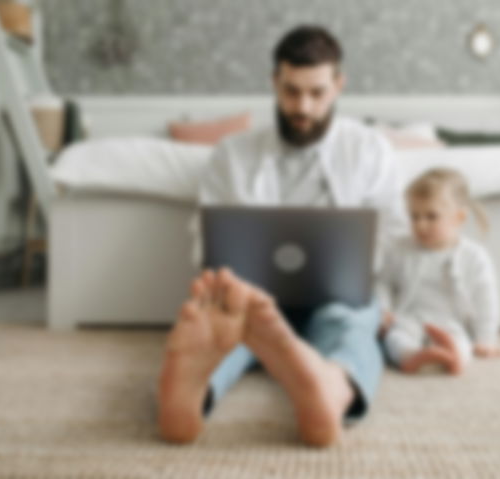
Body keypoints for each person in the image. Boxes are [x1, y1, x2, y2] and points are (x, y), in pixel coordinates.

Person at [157, 25, 405, 447]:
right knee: (230, 328)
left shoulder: (370, 150)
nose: (302, 106)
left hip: (337, 295)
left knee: (349, 323)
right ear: (274, 81)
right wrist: (225, 282)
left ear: (339, 86)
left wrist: (370, 282)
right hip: (251, 299)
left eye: (317, 93)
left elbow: (393, 236)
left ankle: (331, 387)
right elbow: (205, 239)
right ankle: (194, 397)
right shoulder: (231, 154)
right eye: (291, 91)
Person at [378, 168, 500, 375]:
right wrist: (384, 309)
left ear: (459, 217)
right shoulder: (400, 249)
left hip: (451, 322)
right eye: (414, 216)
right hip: (409, 317)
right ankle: (411, 357)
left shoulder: (473, 257)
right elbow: (382, 282)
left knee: (462, 344)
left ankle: (451, 357)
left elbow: (486, 301)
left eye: (431, 216)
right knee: (395, 339)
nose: (420, 224)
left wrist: (486, 340)